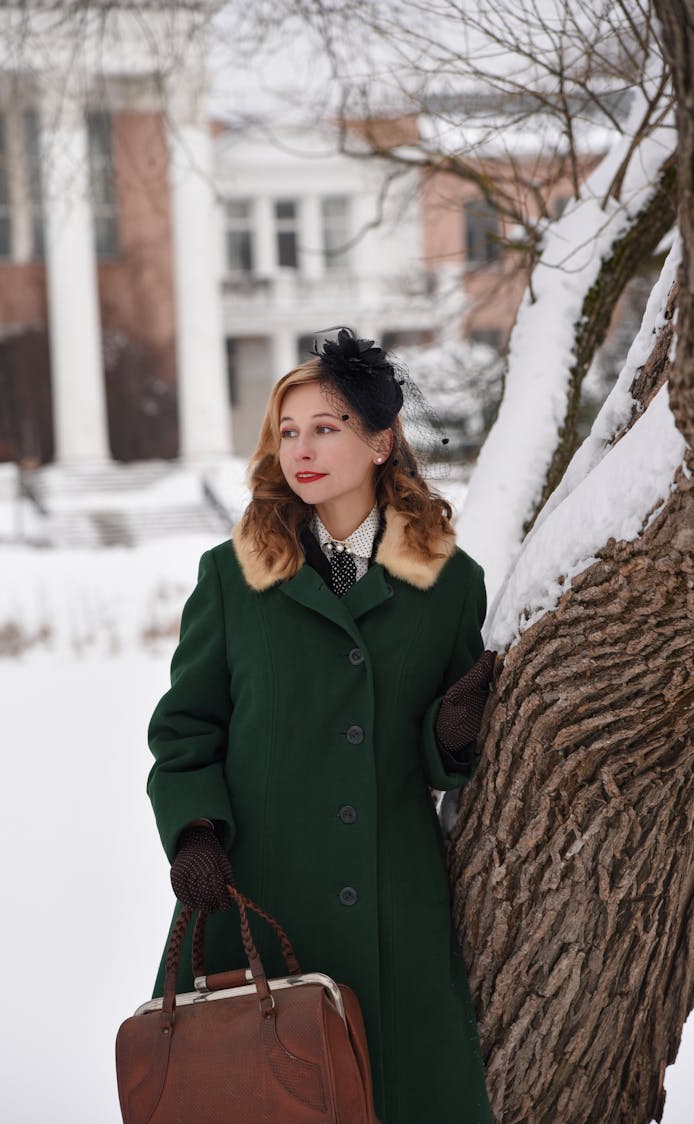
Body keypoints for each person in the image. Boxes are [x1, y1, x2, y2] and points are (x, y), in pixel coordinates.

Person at [147, 329, 495, 1123]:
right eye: (290, 431)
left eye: (326, 427)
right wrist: (195, 831)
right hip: (255, 898)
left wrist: (452, 731)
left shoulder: (448, 583)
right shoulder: (234, 575)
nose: (301, 449)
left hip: (391, 903)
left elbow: (453, 763)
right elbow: (186, 726)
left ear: (380, 441)